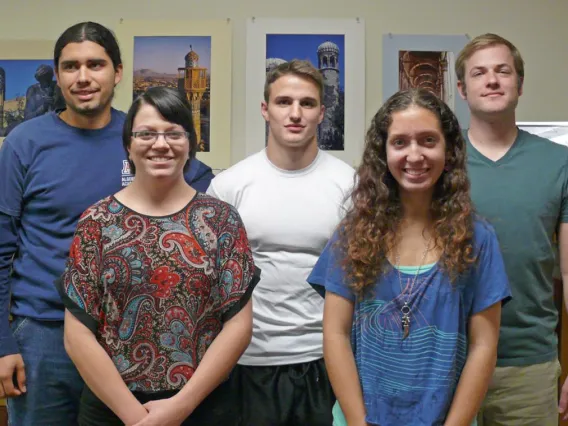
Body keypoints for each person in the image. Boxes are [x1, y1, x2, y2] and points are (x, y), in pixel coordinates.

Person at [0, 21, 214, 425]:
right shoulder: (24, 143)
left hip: (128, 337)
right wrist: (2, 342)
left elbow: (197, 179)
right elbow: (0, 247)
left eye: (95, 65)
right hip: (44, 334)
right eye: (70, 66)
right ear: (58, 75)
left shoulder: (141, 137)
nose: (83, 77)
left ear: (117, 72)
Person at [55, 86, 259, 426]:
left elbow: (238, 325)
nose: (160, 144)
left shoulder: (221, 220)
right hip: (113, 410)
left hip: (202, 407)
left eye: (173, 134)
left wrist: (180, 407)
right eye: (146, 134)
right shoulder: (97, 222)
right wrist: (136, 417)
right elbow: (77, 335)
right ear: (128, 145)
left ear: (191, 144)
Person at [308, 88, 511, 426]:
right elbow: (335, 334)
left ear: (448, 150)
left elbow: (483, 347)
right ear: (382, 152)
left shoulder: (477, 238)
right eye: (400, 142)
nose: (414, 155)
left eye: (428, 141)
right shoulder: (353, 233)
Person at [207, 59, 355, 425]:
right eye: (283, 102)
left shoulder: (349, 185)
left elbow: (362, 281)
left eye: (307, 104)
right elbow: (209, 286)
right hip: (246, 361)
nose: (295, 113)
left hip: (323, 360)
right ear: (265, 109)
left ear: (322, 112)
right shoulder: (229, 187)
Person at [455, 33, 568, 426]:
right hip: (447, 361)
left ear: (519, 84)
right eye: (479, 72)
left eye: (503, 71)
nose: (492, 80)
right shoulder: (437, 162)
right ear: (461, 88)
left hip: (529, 365)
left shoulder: (559, 163)